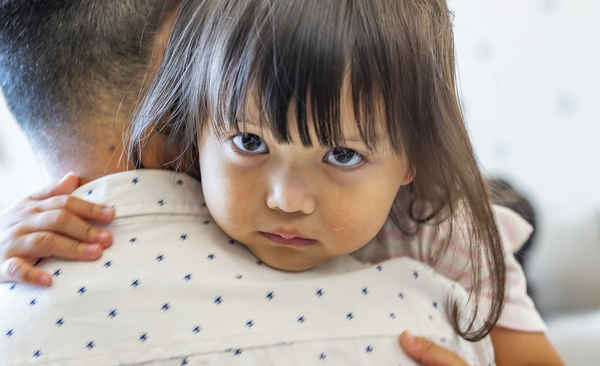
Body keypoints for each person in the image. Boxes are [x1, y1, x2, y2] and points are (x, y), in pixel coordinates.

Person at [0, 0, 562, 365]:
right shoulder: (183, 174)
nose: (285, 199)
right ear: (189, 131)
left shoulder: (450, 237)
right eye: (250, 143)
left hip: (445, 212)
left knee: (512, 213)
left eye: (341, 154)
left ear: (410, 155)